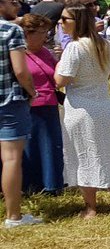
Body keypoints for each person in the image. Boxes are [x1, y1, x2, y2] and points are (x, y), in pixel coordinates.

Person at [57, 2, 110, 217]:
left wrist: (57, 63)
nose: (61, 23)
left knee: (84, 157)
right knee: (107, 155)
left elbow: (60, 79)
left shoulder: (74, 47)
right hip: (102, 107)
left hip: (80, 109)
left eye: (65, 19)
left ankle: (91, 208)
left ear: (77, 22)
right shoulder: (105, 44)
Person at [0, 0, 38, 227]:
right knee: (11, 158)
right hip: (9, 101)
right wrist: (32, 91)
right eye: (14, 3)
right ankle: (13, 215)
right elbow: (21, 70)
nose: (18, 7)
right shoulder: (10, 31)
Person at [18, 14, 63, 196]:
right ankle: (30, 185)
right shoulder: (17, 53)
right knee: (30, 148)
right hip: (29, 107)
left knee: (51, 147)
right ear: (28, 34)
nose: (47, 36)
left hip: (49, 104)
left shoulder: (46, 52)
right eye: (43, 32)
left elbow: (56, 76)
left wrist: (60, 61)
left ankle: (52, 184)